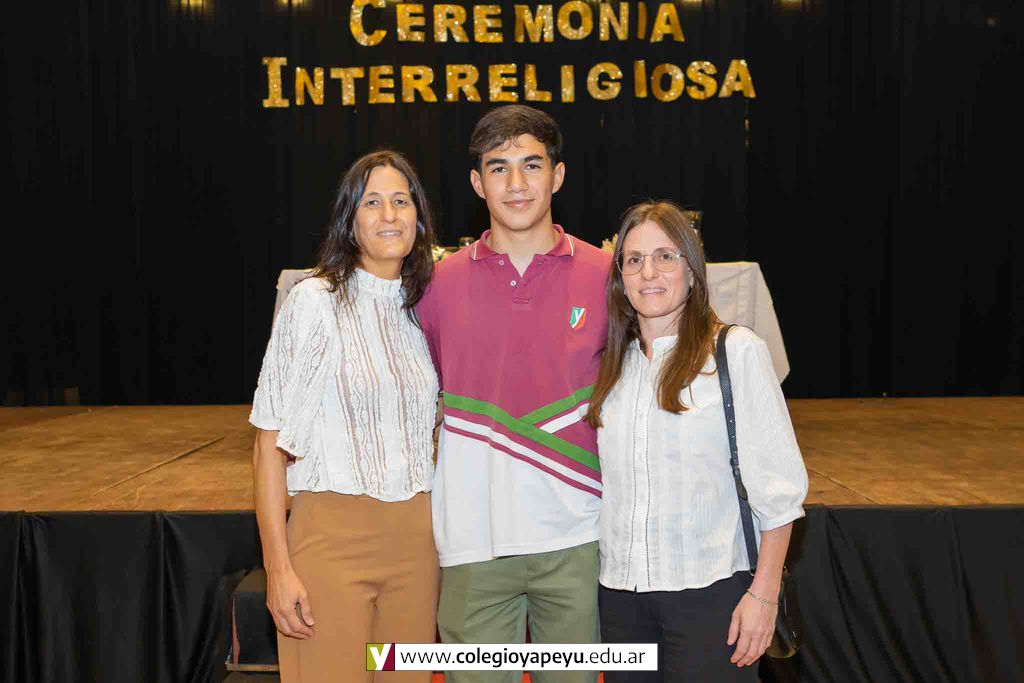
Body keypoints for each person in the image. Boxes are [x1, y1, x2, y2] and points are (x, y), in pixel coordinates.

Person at [416, 105, 611, 683]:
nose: (517, 183)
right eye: (499, 168)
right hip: (473, 541)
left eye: (532, 164)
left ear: (558, 175)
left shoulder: (608, 277)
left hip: (578, 537)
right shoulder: (436, 285)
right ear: (478, 183)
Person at [586, 201, 808, 682]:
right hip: (621, 600)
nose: (649, 272)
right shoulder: (612, 366)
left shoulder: (734, 352)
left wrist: (763, 595)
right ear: (620, 276)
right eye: (634, 259)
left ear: (692, 270)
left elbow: (779, 494)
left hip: (710, 597)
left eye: (665, 257)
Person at [250, 150, 440, 682]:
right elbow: (268, 446)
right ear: (349, 221)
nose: (389, 214)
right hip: (331, 543)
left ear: (419, 217)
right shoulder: (314, 302)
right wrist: (277, 568)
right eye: (372, 202)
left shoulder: (424, 309)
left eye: (401, 201)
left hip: (417, 546)